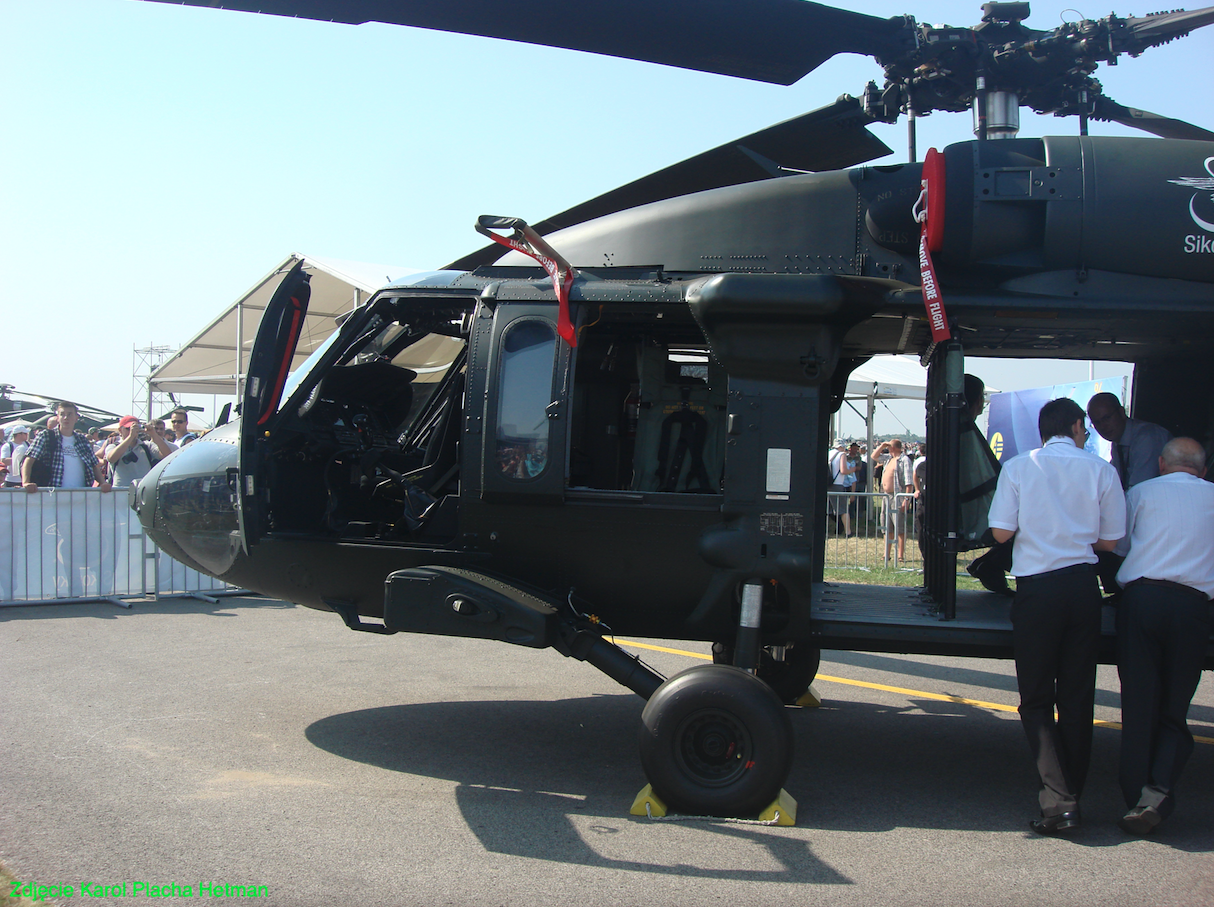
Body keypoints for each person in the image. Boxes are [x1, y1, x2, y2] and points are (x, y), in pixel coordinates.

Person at [987, 397, 1124, 835]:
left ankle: (1058, 798)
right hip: (1082, 587)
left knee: (1036, 697)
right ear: (1077, 425)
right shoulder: (1101, 470)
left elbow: (1001, 532)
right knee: (1078, 695)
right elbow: (1110, 542)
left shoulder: (1021, 467)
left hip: (1038, 590)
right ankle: (1073, 791)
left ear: (1042, 431)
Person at [1112, 437, 1214, 836]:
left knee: (1139, 703)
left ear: (1160, 463)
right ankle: (1156, 792)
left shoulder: (1140, 492)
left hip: (1142, 599)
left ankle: (1135, 793)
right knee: (1175, 708)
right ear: (1203, 470)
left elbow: (1119, 546)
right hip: (1192, 606)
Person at [1086, 392, 1171, 491]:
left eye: (1107, 418)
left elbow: (1140, 490)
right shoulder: (1118, 442)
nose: (1103, 426)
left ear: (1122, 412)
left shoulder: (1146, 437)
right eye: (1097, 422)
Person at [21, 401, 112, 492]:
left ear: (76, 418)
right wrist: (26, 482)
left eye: (69, 414)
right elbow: (29, 460)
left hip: (80, 494)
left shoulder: (82, 440)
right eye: (62, 414)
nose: (66, 418)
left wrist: (103, 483)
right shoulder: (46, 436)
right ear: (57, 418)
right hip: (52, 494)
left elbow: (93, 465)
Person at [106, 416, 175, 488]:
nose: (132, 431)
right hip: (121, 491)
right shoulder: (113, 446)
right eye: (128, 429)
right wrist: (130, 437)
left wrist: (153, 434)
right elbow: (111, 458)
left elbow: (167, 455)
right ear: (120, 430)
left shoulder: (146, 446)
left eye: (135, 428)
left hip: (142, 490)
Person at [873, 438, 913, 561]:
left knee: (899, 526)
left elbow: (909, 482)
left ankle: (900, 555)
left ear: (893, 447)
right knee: (886, 526)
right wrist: (881, 445)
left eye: (888, 446)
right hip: (886, 496)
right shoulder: (888, 458)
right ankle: (887, 553)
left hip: (898, 496)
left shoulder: (904, 460)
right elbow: (874, 456)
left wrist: (906, 499)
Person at [828, 441, 858, 537]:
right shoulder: (842, 455)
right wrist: (852, 470)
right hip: (837, 484)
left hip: (826, 484)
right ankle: (848, 532)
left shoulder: (828, 453)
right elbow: (843, 470)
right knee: (843, 509)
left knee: (829, 509)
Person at [2, 424, 31, 488]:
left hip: (24, 479)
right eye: (25, 433)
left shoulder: (27, 444)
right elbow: (3, 461)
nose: (27, 435)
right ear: (19, 435)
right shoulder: (8, 446)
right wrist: (18, 458)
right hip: (11, 480)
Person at [912, 441, 928, 558]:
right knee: (921, 532)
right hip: (924, 504)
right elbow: (915, 474)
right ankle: (925, 557)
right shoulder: (922, 465)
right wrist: (917, 489)